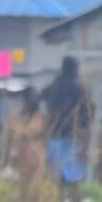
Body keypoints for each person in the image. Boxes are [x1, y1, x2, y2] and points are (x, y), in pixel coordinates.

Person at [38, 56, 93, 193]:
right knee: (74, 178)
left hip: (53, 137)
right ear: (75, 70)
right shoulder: (80, 90)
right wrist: (86, 144)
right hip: (74, 138)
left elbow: (40, 101)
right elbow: (87, 117)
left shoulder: (51, 88)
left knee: (55, 177)